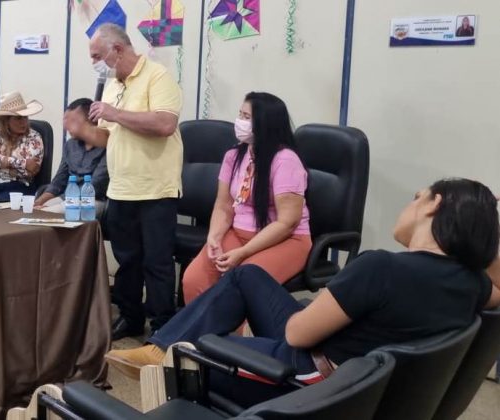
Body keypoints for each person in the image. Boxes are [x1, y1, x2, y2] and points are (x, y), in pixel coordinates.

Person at [105, 178, 500, 407]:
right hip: (356, 377)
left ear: (434, 205)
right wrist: (483, 229)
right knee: (247, 276)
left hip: (311, 377)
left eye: (417, 197)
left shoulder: (380, 268)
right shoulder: (473, 285)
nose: (408, 206)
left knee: (189, 353)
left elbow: (297, 334)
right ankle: (159, 345)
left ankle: (168, 354)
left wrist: (315, 307)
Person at [66, 23, 183, 339]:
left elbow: (165, 124)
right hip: (120, 188)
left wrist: (115, 113)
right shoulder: (112, 85)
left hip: (155, 188)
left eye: (97, 56)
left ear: (117, 49)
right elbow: (109, 137)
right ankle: (130, 317)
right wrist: (83, 131)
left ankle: (161, 326)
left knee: (157, 262)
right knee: (127, 261)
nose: (95, 63)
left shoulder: (157, 76)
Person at [181, 92, 311, 304]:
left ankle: (234, 330)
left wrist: (243, 253)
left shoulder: (286, 160)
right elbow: (224, 204)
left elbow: (287, 223)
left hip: (285, 240)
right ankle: (199, 327)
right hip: (239, 234)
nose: (240, 121)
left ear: (265, 123)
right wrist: (214, 237)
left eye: (247, 117)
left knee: (241, 287)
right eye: (240, 114)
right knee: (194, 280)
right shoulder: (233, 155)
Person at [34, 98, 108, 216]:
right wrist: (39, 202)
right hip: (66, 197)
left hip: (93, 200)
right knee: (37, 211)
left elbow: (96, 185)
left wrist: (53, 207)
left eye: (73, 120)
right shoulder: (70, 145)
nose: (67, 125)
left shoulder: (105, 145)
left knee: (48, 213)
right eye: (65, 119)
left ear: (90, 120)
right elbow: (58, 181)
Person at [0, 91, 44, 200]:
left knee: (1, 202)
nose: (23, 122)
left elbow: (30, 171)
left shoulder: (34, 137)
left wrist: (1, 163)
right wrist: (24, 163)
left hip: (20, 185)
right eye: (18, 118)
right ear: (6, 121)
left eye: (25, 117)